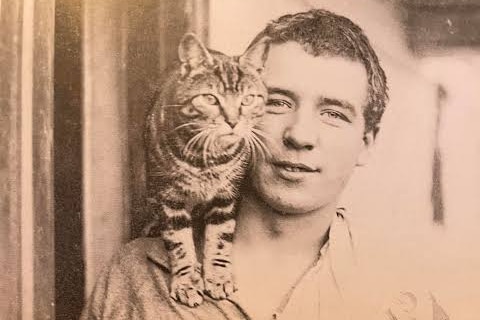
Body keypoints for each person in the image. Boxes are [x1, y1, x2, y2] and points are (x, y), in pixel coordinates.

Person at [81, 9, 448, 320]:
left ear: (366, 143)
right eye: (277, 103)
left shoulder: (405, 297)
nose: (300, 134)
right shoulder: (132, 278)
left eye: (333, 113)